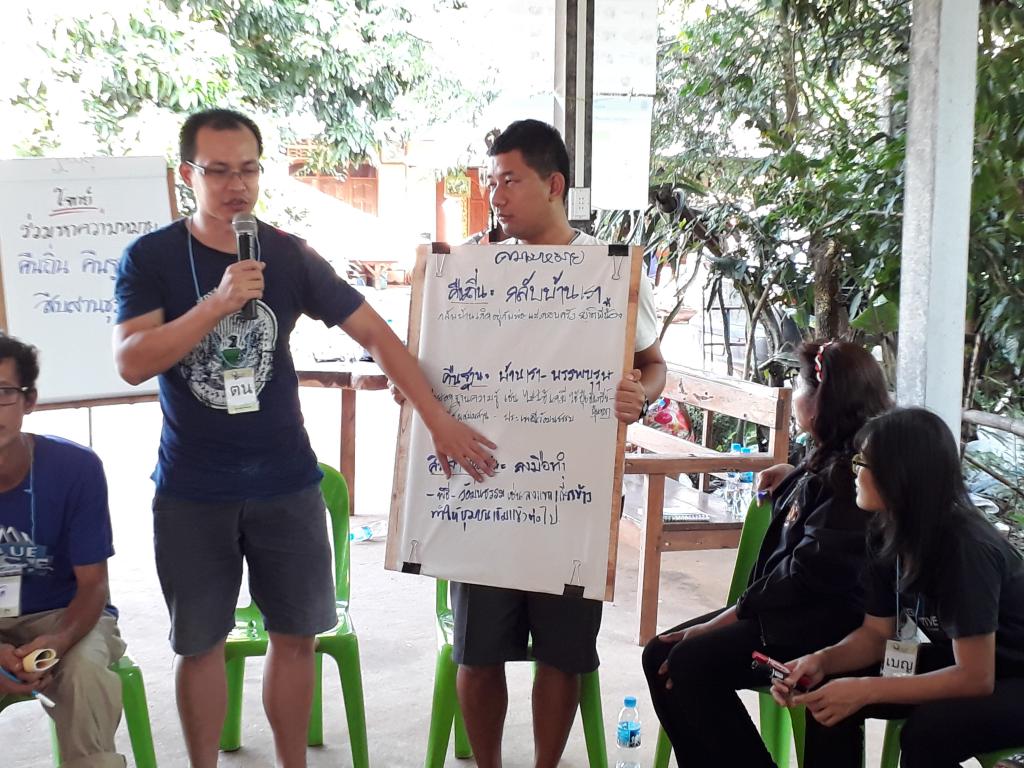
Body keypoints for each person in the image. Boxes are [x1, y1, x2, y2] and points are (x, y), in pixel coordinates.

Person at [113, 108, 497, 768]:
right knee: (199, 645)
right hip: (192, 489)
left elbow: (375, 334)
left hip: (286, 484)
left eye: (249, 169)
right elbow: (131, 362)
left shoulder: (287, 254)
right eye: (219, 171)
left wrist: (435, 416)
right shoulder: (150, 258)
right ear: (187, 174)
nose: (237, 185)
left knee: (296, 638)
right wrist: (216, 305)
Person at [444, 119, 667, 768]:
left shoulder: (610, 273)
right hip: (484, 496)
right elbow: (431, 364)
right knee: (477, 654)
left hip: (572, 499)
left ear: (554, 185)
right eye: (491, 183)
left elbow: (654, 365)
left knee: (563, 657)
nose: (496, 196)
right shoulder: (470, 266)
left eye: (510, 181)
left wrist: (640, 394)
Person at [641, 340, 891, 766]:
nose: (795, 393)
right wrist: (793, 476)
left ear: (822, 400)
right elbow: (814, 514)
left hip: (816, 628)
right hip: (789, 615)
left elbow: (804, 574)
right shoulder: (829, 456)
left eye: (800, 383)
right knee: (661, 654)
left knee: (687, 663)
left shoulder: (853, 475)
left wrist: (729, 616)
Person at [772, 407, 1024, 767]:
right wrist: (822, 660)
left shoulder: (964, 548)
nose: (855, 472)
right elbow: (877, 635)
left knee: (929, 731)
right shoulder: (885, 531)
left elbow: (975, 678)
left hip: (1011, 675)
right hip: (967, 660)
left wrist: (866, 690)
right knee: (827, 693)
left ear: (900, 475)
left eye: (864, 462)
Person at [0, 334, 126, 768]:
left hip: (62, 613)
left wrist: (59, 641)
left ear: (29, 400)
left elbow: (93, 585)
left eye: (2, 393)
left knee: (86, 671)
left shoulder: (75, 468)